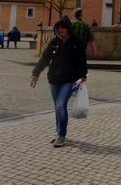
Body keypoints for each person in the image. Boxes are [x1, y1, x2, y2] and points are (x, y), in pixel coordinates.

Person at [30, 16, 88, 148]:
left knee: (61, 105)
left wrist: (83, 75)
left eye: (63, 27)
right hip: (54, 79)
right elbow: (45, 58)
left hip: (69, 79)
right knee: (57, 106)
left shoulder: (76, 43)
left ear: (68, 29)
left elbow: (82, 60)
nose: (61, 30)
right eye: (58, 28)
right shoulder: (54, 42)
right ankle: (58, 132)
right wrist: (36, 73)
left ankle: (62, 134)